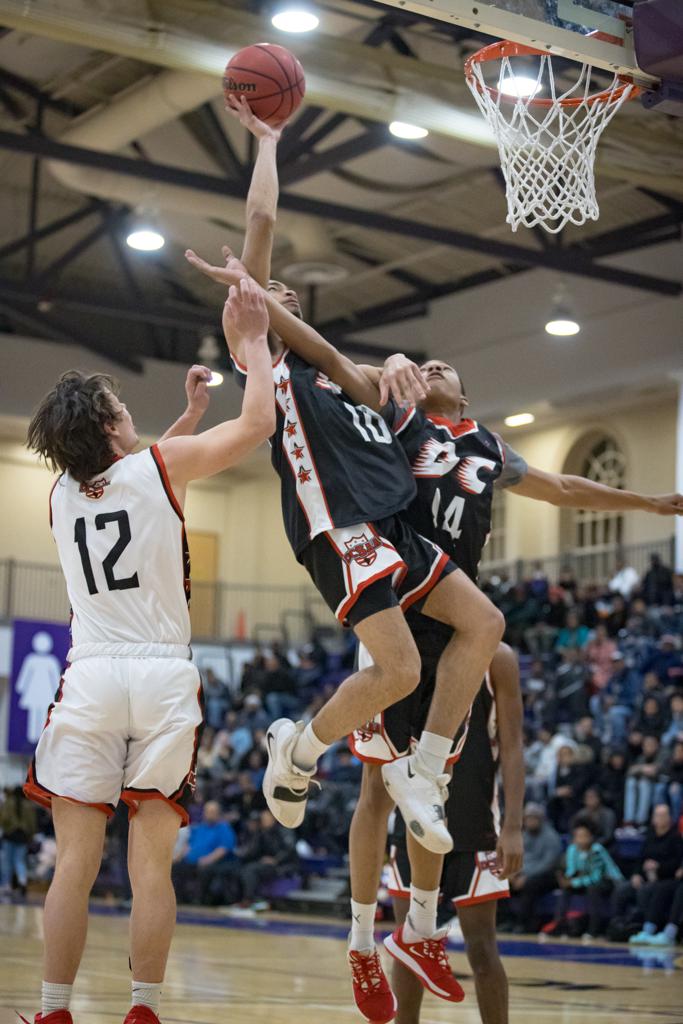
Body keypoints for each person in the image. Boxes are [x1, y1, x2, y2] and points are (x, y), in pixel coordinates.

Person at [186, 98, 506, 870]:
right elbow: (259, 230)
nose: (279, 295)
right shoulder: (264, 353)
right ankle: (297, 747)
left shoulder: (330, 370)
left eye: (286, 294)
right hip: (340, 527)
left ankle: (425, 770)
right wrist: (267, 143)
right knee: (398, 669)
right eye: (268, 294)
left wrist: (396, 364)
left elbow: (362, 370)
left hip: (392, 522)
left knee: (484, 624)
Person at [21, 283, 275, 1024]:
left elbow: (137, 484)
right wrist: (253, 340)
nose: (130, 409)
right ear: (107, 422)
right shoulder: (161, 467)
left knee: (75, 861)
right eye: (120, 404)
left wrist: (188, 416)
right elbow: (257, 421)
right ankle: (142, 1010)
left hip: (93, 673)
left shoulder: (61, 497)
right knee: (148, 864)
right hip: (162, 674)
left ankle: (53, 1011)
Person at [387, 643, 525, 1024]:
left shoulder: (497, 657)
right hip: (412, 821)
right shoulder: (408, 647)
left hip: (474, 821)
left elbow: (512, 746)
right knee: (410, 942)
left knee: (482, 949)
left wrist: (513, 826)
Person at [544, 817, 622, 939]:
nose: (580, 839)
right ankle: (559, 925)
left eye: (583, 836)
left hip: (609, 881)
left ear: (591, 837)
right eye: (577, 836)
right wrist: (566, 880)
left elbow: (596, 878)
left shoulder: (597, 851)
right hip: (584, 880)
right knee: (566, 890)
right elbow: (571, 870)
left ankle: (593, 929)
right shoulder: (572, 849)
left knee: (592, 889)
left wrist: (574, 883)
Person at [613, 804, 683, 932]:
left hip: (664, 877)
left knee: (646, 891)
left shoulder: (675, 838)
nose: (660, 818)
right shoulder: (649, 836)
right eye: (658, 815)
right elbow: (640, 859)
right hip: (645, 876)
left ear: (669, 818)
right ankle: (618, 925)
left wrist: (658, 867)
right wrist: (636, 874)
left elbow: (676, 864)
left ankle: (645, 925)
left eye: (663, 815)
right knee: (622, 890)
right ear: (653, 818)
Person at [507, 804, 563, 934]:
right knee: (502, 882)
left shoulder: (551, 837)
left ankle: (525, 924)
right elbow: (517, 857)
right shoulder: (524, 836)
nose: (530, 822)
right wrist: (513, 872)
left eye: (533, 819)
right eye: (527, 819)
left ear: (540, 819)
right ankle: (507, 921)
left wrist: (526, 876)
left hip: (547, 875)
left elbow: (548, 863)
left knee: (530, 885)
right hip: (524, 873)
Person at [171, 801, 237, 906]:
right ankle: (178, 899)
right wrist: (179, 857)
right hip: (192, 861)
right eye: (208, 811)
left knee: (204, 870)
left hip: (212, 863)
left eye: (213, 812)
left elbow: (224, 848)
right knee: (176, 867)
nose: (210, 814)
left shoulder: (224, 828)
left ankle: (200, 899)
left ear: (218, 813)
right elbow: (188, 845)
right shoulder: (199, 827)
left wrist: (208, 859)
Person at [0, 786, 37, 899]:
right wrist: (30, 835)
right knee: (19, 861)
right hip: (23, 836)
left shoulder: (8, 802)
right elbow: (32, 823)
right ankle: (22, 881)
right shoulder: (28, 805)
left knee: (7, 861)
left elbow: (3, 818)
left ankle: (6, 885)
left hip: (10, 835)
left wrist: (7, 827)